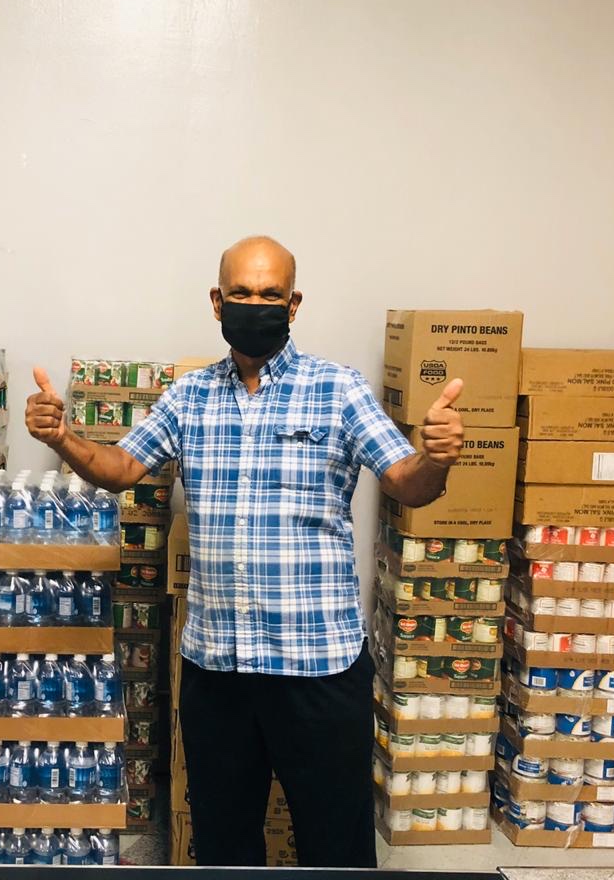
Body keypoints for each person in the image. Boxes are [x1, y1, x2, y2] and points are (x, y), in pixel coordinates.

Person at [24, 235, 464, 867]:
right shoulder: (189, 396)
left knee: (336, 848)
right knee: (225, 847)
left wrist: (436, 460)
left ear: (294, 304)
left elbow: (405, 482)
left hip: (318, 667)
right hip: (217, 670)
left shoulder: (338, 389)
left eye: (270, 294)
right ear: (216, 301)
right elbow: (121, 467)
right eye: (241, 293)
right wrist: (63, 437)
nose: (254, 305)